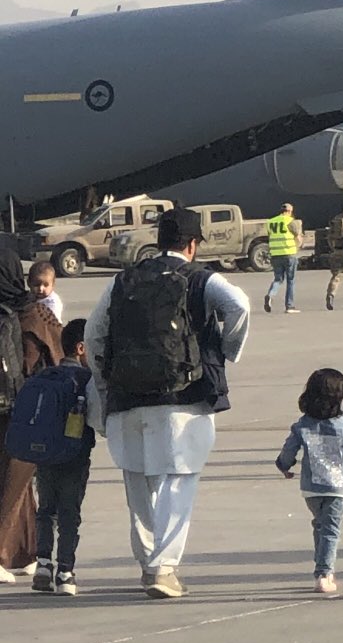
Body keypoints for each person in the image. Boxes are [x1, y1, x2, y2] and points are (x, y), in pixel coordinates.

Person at [84, 208, 252, 598]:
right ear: (192, 244)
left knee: (138, 483)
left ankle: (148, 565)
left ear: (158, 240)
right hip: (184, 398)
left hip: (128, 396)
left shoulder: (122, 281)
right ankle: (164, 568)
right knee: (178, 481)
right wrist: (225, 350)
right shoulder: (200, 279)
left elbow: (94, 334)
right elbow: (239, 305)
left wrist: (107, 381)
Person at [0, 243, 66, 577]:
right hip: (27, 412)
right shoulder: (36, 313)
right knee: (16, 483)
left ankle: (21, 552)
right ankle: (11, 552)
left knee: (15, 483)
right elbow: (59, 357)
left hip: (10, 408)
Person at [275, 367, 343, 595]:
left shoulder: (303, 425)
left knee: (320, 524)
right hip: (336, 489)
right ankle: (324, 574)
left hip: (311, 489)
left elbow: (288, 451)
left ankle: (322, 562)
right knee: (331, 529)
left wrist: (284, 466)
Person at [28, 318, 93, 595]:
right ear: (80, 348)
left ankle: (43, 564)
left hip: (44, 456)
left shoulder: (45, 376)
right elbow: (96, 419)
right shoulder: (86, 380)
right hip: (75, 458)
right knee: (69, 514)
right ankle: (65, 571)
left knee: (46, 510)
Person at [263, 203, 302, 313]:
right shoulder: (290, 221)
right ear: (289, 211)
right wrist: (298, 247)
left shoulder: (271, 222)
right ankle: (289, 306)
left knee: (278, 279)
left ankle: (270, 295)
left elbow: (270, 236)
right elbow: (298, 238)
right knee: (290, 280)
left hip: (275, 254)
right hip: (289, 254)